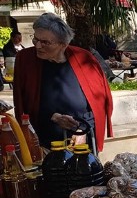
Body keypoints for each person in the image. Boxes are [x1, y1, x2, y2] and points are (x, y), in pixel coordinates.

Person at [12, 13, 113, 151]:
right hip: (43, 141)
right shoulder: (25, 59)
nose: (38, 46)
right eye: (36, 40)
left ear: (63, 44)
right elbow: (22, 102)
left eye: (45, 42)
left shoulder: (83, 58)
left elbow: (99, 103)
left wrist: (82, 129)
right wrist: (51, 116)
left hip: (81, 139)